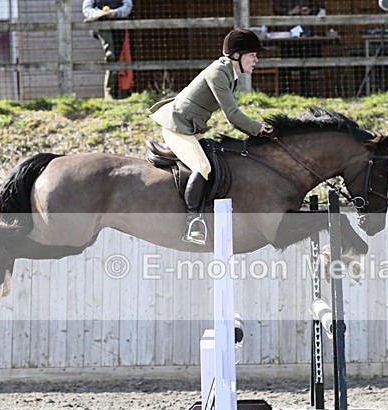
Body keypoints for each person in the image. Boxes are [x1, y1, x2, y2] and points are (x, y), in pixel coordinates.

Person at [148, 28, 274, 245]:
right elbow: (232, 115)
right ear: (237, 55)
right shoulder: (219, 72)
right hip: (176, 126)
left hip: (189, 128)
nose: (256, 60)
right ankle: (194, 222)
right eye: (253, 55)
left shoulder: (228, 73)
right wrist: (259, 129)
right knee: (203, 167)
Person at [82, 0, 133, 99]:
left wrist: (116, 12)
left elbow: (127, 6)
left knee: (116, 57)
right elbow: (87, 9)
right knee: (111, 55)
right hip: (100, 23)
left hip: (118, 24)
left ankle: (113, 92)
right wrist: (99, 13)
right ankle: (109, 92)